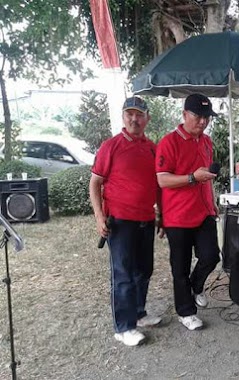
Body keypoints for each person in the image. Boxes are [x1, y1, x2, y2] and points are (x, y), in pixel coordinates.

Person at [89, 96, 161, 347]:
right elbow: (95, 183)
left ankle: (139, 314)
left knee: (145, 270)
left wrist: (160, 214)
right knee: (123, 275)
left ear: (147, 119)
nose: (134, 119)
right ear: (123, 117)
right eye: (130, 114)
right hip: (120, 221)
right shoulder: (111, 146)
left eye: (139, 114)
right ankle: (123, 327)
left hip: (146, 219)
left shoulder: (152, 148)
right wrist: (99, 217)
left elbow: (158, 185)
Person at [156, 93, 221, 331]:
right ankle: (185, 311)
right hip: (178, 216)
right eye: (198, 116)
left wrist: (212, 203)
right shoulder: (169, 142)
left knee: (211, 256)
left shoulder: (206, 142)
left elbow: (208, 179)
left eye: (207, 117)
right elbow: (162, 180)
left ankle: (196, 287)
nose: (203, 122)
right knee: (180, 266)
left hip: (204, 212)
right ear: (184, 114)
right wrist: (193, 177)